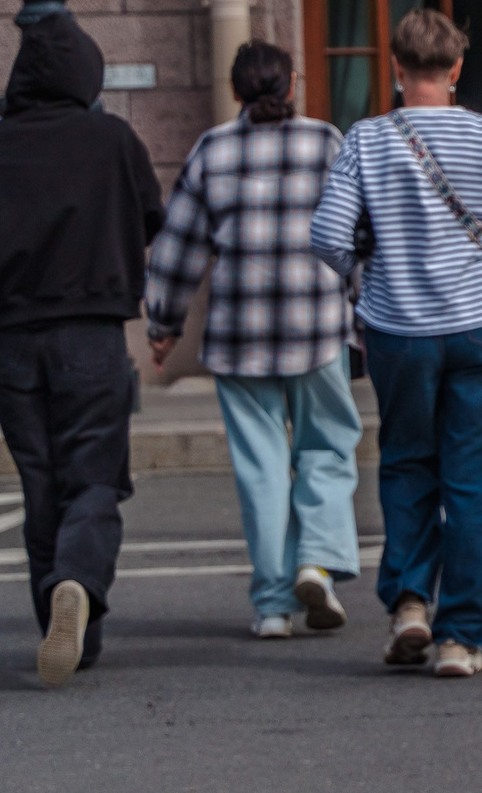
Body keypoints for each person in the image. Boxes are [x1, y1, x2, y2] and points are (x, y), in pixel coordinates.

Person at [310, 9, 482, 679]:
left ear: (395, 69)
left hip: (399, 331)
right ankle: (461, 635)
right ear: (454, 69)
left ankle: (412, 601)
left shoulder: (367, 138)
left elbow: (329, 235)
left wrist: (370, 276)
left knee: (409, 463)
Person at [145, 42, 359, 639]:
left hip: (239, 334)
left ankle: (271, 606)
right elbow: (355, 233)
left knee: (261, 469)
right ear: (292, 83)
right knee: (326, 449)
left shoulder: (213, 149)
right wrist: (365, 307)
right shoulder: (326, 142)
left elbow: (177, 246)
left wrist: (163, 326)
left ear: (236, 91)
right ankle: (316, 559)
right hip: (317, 326)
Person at [0, 11, 164, 687]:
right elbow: (153, 217)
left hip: (9, 337)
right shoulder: (112, 139)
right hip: (91, 329)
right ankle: (77, 583)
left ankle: (58, 619)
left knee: (41, 480)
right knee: (93, 475)